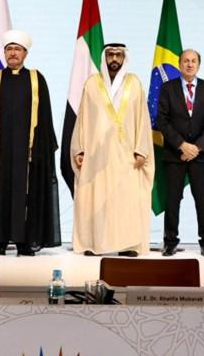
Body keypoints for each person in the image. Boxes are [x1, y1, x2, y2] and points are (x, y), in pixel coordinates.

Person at [0, 29, 60, 256]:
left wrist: (41, 149)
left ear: (25, 53)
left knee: (27, 195)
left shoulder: (37, 79)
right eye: (9, 49)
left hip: (27, 152)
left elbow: (45, 118)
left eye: (17, 49)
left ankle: (25, 241)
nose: (12, 53)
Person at [71, 44, 153, 256]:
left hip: (127, 156)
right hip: (97, 157)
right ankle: (94, 244)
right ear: (104, 57)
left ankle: (128, 245)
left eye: (118, 55)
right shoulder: (92, 84)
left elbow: (143, 119)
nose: (114, 59)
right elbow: (82, 119)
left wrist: (141, 149)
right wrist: (79, 149)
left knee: (126, 201)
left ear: (125, 58)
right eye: (110, 55)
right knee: (97, 199)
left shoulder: (134, 83)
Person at [156, 49, 204, 258]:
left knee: (202, 199)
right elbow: (162, 121)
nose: (189, 64)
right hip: (174, 154)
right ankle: (170, 241)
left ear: (198, 65)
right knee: (172, 199)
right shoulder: (168, 88)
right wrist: (182, 145)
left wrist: (196, 148)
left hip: (199, 156)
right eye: (186, 61)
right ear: (179, 64)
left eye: (193, 61)